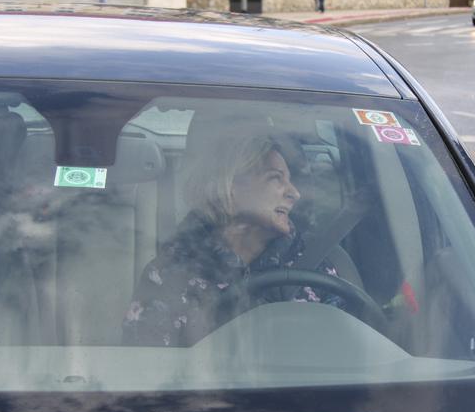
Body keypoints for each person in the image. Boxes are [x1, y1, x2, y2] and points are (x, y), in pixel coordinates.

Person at [122, 133, 344, 347]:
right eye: (276, 178)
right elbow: (148, 371)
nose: (294, 193)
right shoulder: (170, 274)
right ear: (229, 187)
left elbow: (346, 353)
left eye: (290, 180)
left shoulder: (315, 265)